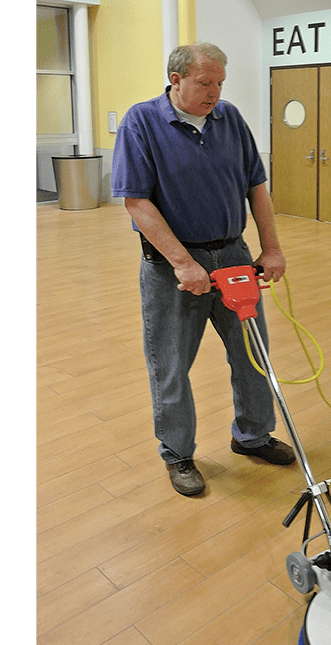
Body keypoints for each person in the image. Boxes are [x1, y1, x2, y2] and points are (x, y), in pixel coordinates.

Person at [111, 42, 295, 497]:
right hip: (173, 268)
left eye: (219, 84)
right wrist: (183, 263)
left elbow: (257, 186)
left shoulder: (229, 119)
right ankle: (177, 453)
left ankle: (251, 435)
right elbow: (137, 202)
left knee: (253, 355)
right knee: (171, 365)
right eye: (205, 83)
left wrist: (271, 248)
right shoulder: (142, 121)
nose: (214, 93)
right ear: (176, 79)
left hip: (234, 256)